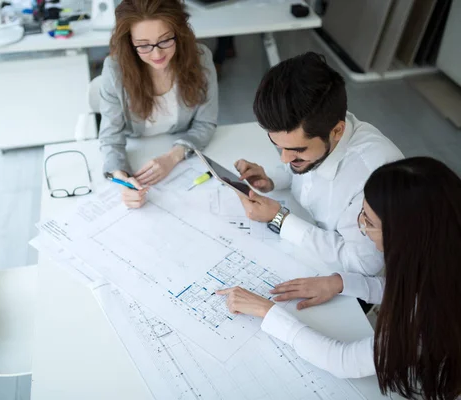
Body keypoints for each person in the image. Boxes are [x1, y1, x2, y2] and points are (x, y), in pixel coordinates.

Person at [218, 157, 461, 400]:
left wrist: (267, 311)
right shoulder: (443, 256)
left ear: (404, 237)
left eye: (369, 222)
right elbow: (417, 290)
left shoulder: (429, 318)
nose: (361, 227)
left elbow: (344, 361)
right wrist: (342, 283)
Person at [235, 52, 403, 276]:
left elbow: (363, 264)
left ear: (337, 131)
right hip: (307, 244)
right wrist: (272, 180)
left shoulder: (374, 174)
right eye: (278, 145)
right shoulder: (321, 125)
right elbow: (299, 172)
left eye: (297, 150)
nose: (284, 158)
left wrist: (280, 219)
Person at [99, 0, 218, 208]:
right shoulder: (114, 70)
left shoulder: (201, 58)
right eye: (144, 45)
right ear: (129, 42)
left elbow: (205, 124)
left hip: (182, 152)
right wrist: (122, 180)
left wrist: (172, 157)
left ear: (179, 33)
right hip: (137, 147)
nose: (157, 54)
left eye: (165, 41)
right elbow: (110, 139)